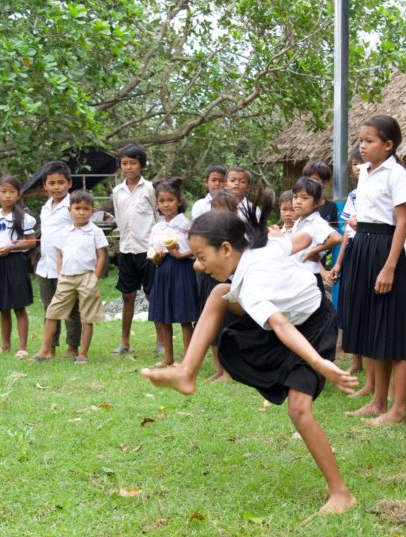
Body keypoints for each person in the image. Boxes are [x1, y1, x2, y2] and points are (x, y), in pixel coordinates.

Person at [140, 191, 359, 515]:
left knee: (299, 410)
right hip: (285, 318)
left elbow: (282, 325)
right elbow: (299, 240)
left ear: (226, 248)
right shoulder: (259, 247)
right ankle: (186, 372)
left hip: (310, 327)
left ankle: (341, 493)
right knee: (218, 293)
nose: (198, 266)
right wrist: (289, 239)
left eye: (202, 256)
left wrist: (318, 362)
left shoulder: (252, 281)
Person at [341, 115, 406, 426]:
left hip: (385, 249)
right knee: (374, 328)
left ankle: (397, 410)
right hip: (363, 246)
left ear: (388, 144)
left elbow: (402, 222)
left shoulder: (396, 174)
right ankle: (377, 402)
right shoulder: (366, 173)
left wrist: (389, 267)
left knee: (394, 331)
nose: (363, 145)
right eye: (361, 140)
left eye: (369, 141)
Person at [34, 190, 108, 364]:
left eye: (86, 209)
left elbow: (102, 256)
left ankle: (82, 353)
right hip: (66, 278)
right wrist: (60, 274)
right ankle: (45, 349)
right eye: (77, 208)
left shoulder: (95, 231)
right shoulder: (65, 231)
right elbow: (60, 254)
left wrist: (95, 278)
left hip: (87, 277)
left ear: (92, 210)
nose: (81, 212)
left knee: (87, 317)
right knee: (52, 312)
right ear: (70, 210)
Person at [0, 176, 37, 359]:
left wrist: (11, 247)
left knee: (18, 306)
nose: (7, 196)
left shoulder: (24, 218)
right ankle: (4, 345)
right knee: (3, 307)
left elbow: (31, 241)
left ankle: (22, 347)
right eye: (3, 192)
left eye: (12, 192)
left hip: (15, 263)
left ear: (18, 195)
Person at [112, 143, 156, 356]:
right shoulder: (117, 191)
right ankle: (124, 342)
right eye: (124, 163)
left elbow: (156, 218)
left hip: (148, 250)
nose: (128, 167)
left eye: (133, 163)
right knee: (127, 295)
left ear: (142, 165)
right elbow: (120, 218)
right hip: (126, 249)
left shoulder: (150, 189)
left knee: (152, 294)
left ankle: (161, 340)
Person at [148, 178, 198, 367]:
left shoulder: (186, 225)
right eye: (162, 201)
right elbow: (151, 251)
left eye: (170, 200)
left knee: (184, 317)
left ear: (179, 201)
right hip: (162, 270)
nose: (166, 204)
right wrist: (156, 257)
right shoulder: (157, 227)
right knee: (164, 317)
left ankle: (188, 359)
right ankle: (168, 358)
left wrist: (180, 254)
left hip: (182, 270)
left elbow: (197, 248)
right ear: (157, 204)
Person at [35, 160, 80, 359]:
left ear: (69, 183)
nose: (56, 187)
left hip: (67, 266)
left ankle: (72, 348)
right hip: (45, 265)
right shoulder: (45, 208)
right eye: (51, 183)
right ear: (45, 185)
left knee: (70, 309)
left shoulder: (73, 206)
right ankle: (50, 347)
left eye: (61, 182)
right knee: (49, 308)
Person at [329, 148, 366, 386]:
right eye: (354, 164)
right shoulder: (353, 195)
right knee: (351, 305)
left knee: (365, 305)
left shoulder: (380, 191)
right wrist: (339, 262)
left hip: (371, 249)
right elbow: (347, 233)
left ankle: (369, 356)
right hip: (352, 250)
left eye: (360, 164)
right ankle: (356, 359)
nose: (357, 168)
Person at [198, 189, 239, 382]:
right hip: (209, 282)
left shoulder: (238, 235)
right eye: (216, 210)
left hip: (230, 286)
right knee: (212, 329)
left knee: (227, 329)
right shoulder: (206, 234)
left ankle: (230, 371)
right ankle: (219, 369)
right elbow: (197, 261)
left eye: (225, 211)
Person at [291, 177, 343, 292]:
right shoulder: (299, 222)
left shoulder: (316, 222)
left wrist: (314, 251)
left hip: (310, 280)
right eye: (295, 197)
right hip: (299, 277)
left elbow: (337, 238)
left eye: (304, 198)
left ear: (317, 203)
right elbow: (308, 257)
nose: (298, 201)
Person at [302, 160, 340, 227]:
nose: (309, 183)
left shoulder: (331, 207)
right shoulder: (299, 203)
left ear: (324, 183)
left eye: (314, 180)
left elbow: (334, 229)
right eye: (307, 179)